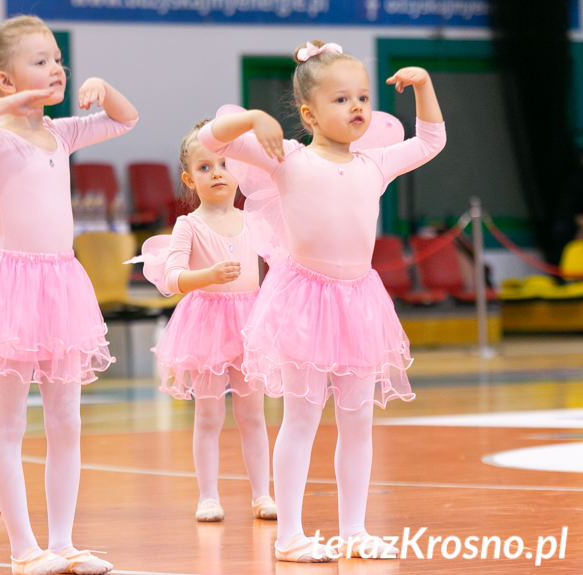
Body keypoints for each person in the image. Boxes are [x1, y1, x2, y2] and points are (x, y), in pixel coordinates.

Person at [198, 40, 445, 562]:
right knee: (302, 419)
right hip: (304, 302)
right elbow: (207, 138)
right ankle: (289, 535)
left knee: (358, 423)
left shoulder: (374, 163)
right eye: (341, 99)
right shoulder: (286, 157)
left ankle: (353, 529)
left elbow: (430, 141)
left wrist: (423, 86)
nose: (357, 107)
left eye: (362, 97)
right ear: (309, 113)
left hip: (359, 303)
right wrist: (251, 118)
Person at [0, 15, 138, 575]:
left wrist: (104, 91)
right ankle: (24, 547)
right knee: (9, 422)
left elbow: (126, 119)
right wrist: (10, 104)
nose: (56, 70)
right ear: (4, 80)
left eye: (58, 60)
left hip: (61, 283)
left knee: (66, 419)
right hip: (10, 284)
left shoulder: (62, 132)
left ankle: (64, 541)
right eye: (41, 61)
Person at [134, 119, 276, 524]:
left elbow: (279, 264)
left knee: (253, 414)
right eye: (205, 167)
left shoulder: (254, 220)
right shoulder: (188, 225)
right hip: (207, 326)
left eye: (225, 164)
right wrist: (208, 277)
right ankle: (208, 496)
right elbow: (173, 277)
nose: (217, 173)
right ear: (189, 179)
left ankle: (262, 494)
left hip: (250, 322)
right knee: (209, 415)